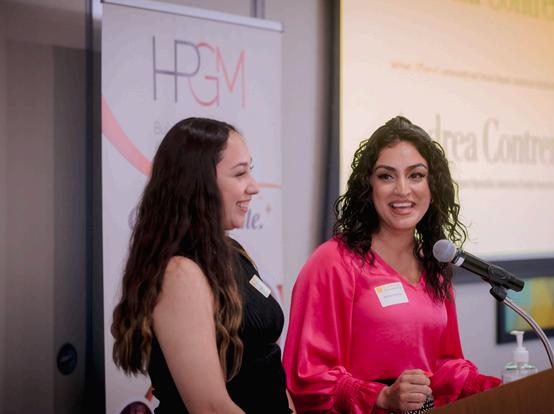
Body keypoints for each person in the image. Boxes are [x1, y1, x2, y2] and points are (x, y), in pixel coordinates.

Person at [283, 116, 500, 413]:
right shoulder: (333, 262)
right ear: (368, 186)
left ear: (432, 185)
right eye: (387, 176)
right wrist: (382, 396)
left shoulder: (434, 264)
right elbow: (308, 378)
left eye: (416, 175)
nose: (402, 189)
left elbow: (445, 367)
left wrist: (502, 386)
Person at [111, 118, 292, 413]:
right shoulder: (179, 274)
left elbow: (268, 365)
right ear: (199, 182)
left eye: (251, 171)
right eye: (240, 173)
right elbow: (210, 407)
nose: (254, 187)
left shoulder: (234, 253)